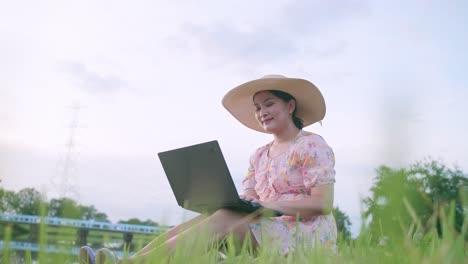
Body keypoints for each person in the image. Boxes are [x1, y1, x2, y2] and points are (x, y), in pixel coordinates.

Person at [79, 74, 337, 264]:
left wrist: (272, 206)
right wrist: (245, 201)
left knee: (224, 218)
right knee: (211, 216)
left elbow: (322, 202)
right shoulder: (259, 155)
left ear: (290, 106)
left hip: (305, 232)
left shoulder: (311, 145)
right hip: (265, 225)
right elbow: (252, 196)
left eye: (269, 104)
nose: (262, 112)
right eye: (258, 108)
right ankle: (131, 260)